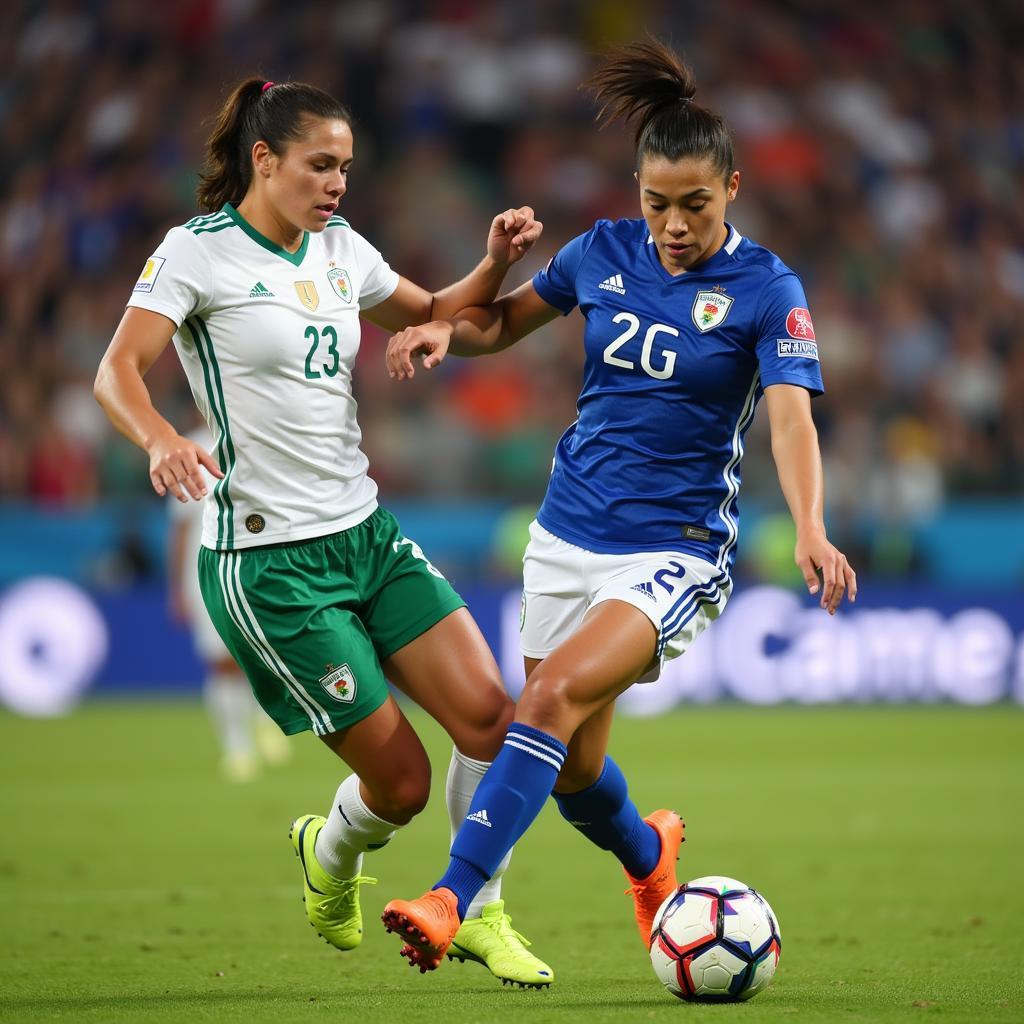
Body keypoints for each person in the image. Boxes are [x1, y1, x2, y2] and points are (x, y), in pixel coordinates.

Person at [379, 39, 858, 971]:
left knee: (543, 702)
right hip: (564, 532)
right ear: (636, 192)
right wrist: (445, 326)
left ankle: (452, 897)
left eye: (695, 204)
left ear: (733, 189)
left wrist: (808, 523)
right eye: (657, 203)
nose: (674, 224)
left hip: (669, 549)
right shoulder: (600, 250)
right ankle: (651, 858)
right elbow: (504, 322)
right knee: (575, 769)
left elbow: (791, 422)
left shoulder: (768, 289)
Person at [94, 77, 555, 988]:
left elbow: (435, 309)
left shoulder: (341, 248)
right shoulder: (196, 255)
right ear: (264, 161)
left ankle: (477, 910)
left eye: (346, 165)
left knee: (492, 723)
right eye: (320, 165)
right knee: (405, 788)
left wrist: (495, 263)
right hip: (271, 565)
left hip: (365, 533)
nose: (338, 182)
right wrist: (156, 440)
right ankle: (329, 855)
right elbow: (117, 371)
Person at [167, 417, 291, 782]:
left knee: (261, 654)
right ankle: (237, 748)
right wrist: (176, 586)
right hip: (204, 571)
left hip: (255, 567)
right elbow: (182, 525)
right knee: (222, 661)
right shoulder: (187, 448)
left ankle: (267, 720)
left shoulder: (258, 436)